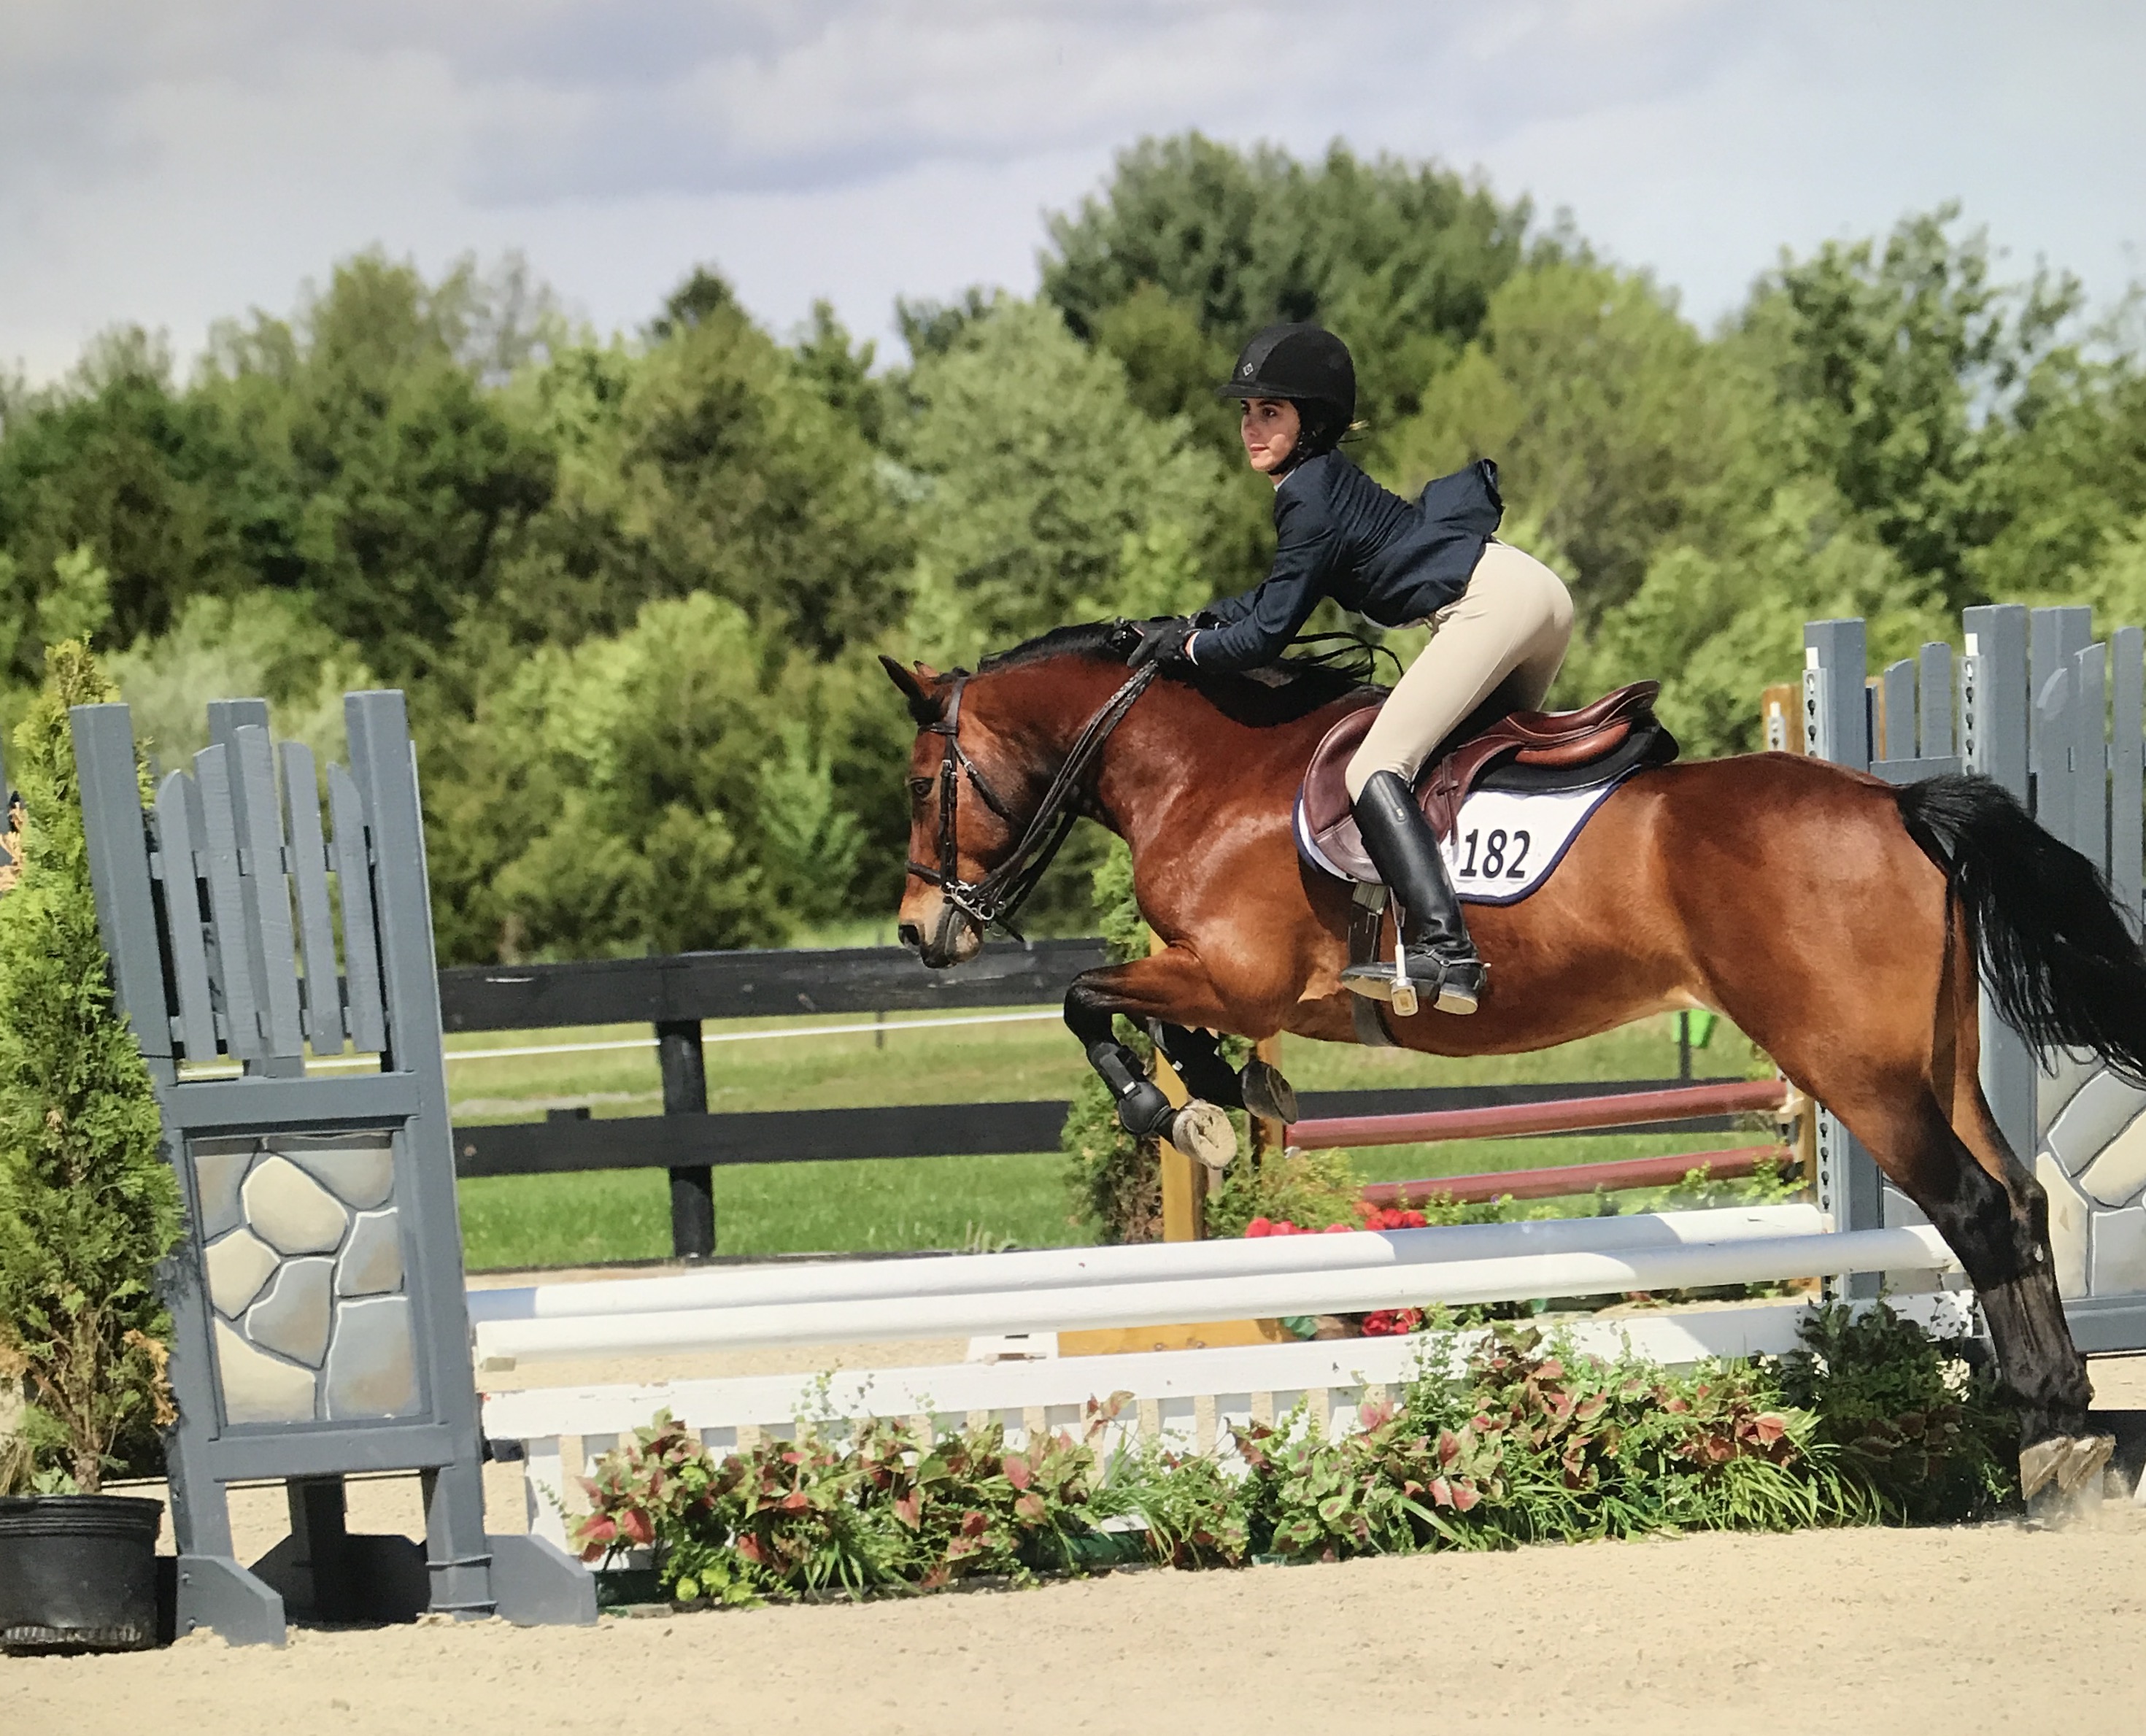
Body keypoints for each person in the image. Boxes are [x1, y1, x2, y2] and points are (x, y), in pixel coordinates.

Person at [1135, 323, 1574, 1014]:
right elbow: (1269, 601)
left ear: (1311, 422)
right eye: (1247, 412)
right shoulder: (1321, 483)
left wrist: (1186, 651)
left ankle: (1446, 947)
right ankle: (1457, 923)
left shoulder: (1305, 495)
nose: (1251, 428)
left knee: (1373, 769)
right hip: (1533, 594)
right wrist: (1195, 622)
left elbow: (1266, 635)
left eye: (1270, 412)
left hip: (1491, 606)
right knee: (1458, 766)